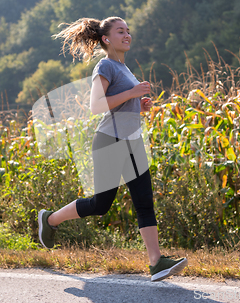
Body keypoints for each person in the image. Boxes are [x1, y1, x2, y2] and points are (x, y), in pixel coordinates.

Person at [37, 16, 188, 282]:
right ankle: (50, 220)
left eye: (128, 31)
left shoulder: (124, 67)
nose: (127, 35)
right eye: (121, 31)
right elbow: (96, 105)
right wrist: (131, 95)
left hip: (132, 140)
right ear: (106, 39)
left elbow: (118, 104)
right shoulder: (105, 65)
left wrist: (138, 106)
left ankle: (156, 262)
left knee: (144, 201)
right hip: (110, 140)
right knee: (100, 205)